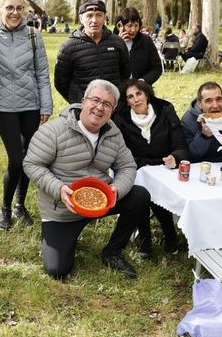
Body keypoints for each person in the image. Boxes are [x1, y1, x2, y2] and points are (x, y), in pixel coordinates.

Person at [23, 79, 150, 280]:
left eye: (107, 104)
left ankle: (113, 251)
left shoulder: (113, 132)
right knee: (57, 270)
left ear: (113, 110)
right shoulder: (53, 130)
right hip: (63, 208)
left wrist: (116, 189)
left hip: (101, 201)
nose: (100, 108)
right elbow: (32, 164)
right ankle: (57, 238)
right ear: (83, 101)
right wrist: (59, 189)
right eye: (95, 100)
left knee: (139, 196)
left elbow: (127, 166)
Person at [0, 0, 53, 231]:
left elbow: (42, 74)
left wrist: (45, 105)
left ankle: (19, 205)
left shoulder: (34, 36)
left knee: (29, 158)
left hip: (32, 106)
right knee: (16, 159)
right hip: (5, 106)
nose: (14, 13)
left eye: (19, 8)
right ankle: (5, 208)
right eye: (9, 8)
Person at [113, 79, 189, 255]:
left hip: (165, 167)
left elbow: (181, 146)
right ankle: (145, 239)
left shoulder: (165, 110)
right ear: (127, 101)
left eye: (139, 93)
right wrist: (145, 164)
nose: (136, 99)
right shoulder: (121, 118)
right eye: (130, 97)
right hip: (136, 167)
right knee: (141, 188)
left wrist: (175, 157)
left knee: (157, 186)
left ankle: (169, 234)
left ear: (146, 94)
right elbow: (121, 154)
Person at [54, 0, 131, 104]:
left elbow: (125, 74)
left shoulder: (118, 43)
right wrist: (78, 100)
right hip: (84, 109)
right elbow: (61, 82)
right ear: (81, 18)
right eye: (89, 15)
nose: (94, 20)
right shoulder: (68, 47)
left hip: (114, 107)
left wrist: (117, 98)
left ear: (104, 17)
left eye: (99, 15)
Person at [180, 81, 222, 163]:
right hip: (201, 164)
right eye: (208, 101)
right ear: (200, 103)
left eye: (218, 99)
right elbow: (190, 156)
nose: (215, 106)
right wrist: (204, 136)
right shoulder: (188, 121)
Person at [115, 7, 161, 85]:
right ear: (121, 26)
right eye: (129, 26)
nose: (133, 30)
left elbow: (157, 68)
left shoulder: (146, 41)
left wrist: (143, 81)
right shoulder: (113, 42)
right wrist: (119, 44)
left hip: (141, 88)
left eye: (136, 25)